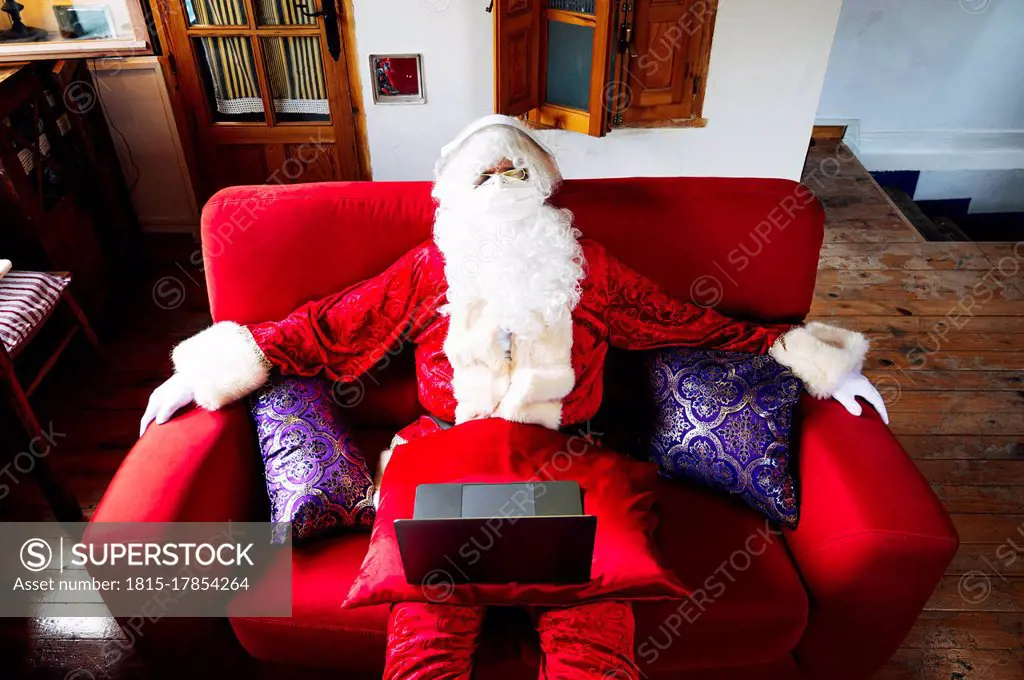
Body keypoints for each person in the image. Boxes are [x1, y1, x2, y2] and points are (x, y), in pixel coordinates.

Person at [140, 114, 887, 679]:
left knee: (592, 625)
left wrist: (803, 356)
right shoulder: (431, 266)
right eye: (483, 175)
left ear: (542, 185)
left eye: (513, 172)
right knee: (427, 630)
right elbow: (332, 326)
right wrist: (208, 368)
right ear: (454, 194)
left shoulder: (587, 265)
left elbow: (680, 322)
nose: (500, 185)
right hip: (447, 467)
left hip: (566, 464)